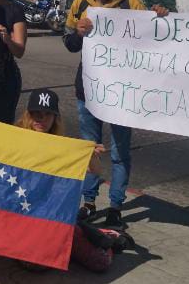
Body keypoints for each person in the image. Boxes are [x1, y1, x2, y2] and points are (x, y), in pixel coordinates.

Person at [64, 0, 167, 227]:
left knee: (121, 151)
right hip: (88, 90)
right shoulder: (80, 3)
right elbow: (70, 45)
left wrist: (160, 17)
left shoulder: (131, 2)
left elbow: (151, 39)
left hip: (123, 94)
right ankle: (88, 201)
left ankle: (116, 205)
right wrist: (78, 33)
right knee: (89, 150)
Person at [14, 88, 130, 273]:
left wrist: (90, 155)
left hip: (54, 219)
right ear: (28, 115)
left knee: (100, 263)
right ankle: (83, 233)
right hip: (23, 216)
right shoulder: (14, 139)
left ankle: (105, 236)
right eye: (36, 113)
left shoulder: (63, 147)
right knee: (35, 264)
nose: (41, 119)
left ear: (55, 118)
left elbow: (95, 171)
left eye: (47, 114)